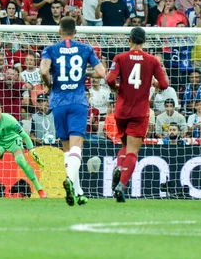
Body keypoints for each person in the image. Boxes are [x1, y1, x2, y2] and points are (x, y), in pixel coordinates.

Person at [40, 17, 106, 206]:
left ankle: (78, 192)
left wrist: (49, 86)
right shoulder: (85, 49)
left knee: (67, 150)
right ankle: (69, 180)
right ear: (75, 32)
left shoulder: (50, 49)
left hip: (58, 102)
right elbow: (102, 73)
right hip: (77, 101)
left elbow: (44, 71)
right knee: (77, 146)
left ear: (59, 31)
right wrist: (85, 74)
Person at [106, 27, 168, 203]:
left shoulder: (120, 58)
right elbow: (165, 84)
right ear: (144, 41)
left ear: (129, 40)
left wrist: (117, 89)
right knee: (133, 151)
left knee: (125, 146)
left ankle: (119, 167)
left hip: (122, 110)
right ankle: (122, 185)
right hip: (140, 111)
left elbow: (110, 79)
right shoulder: (152, 60)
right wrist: (153, 83)